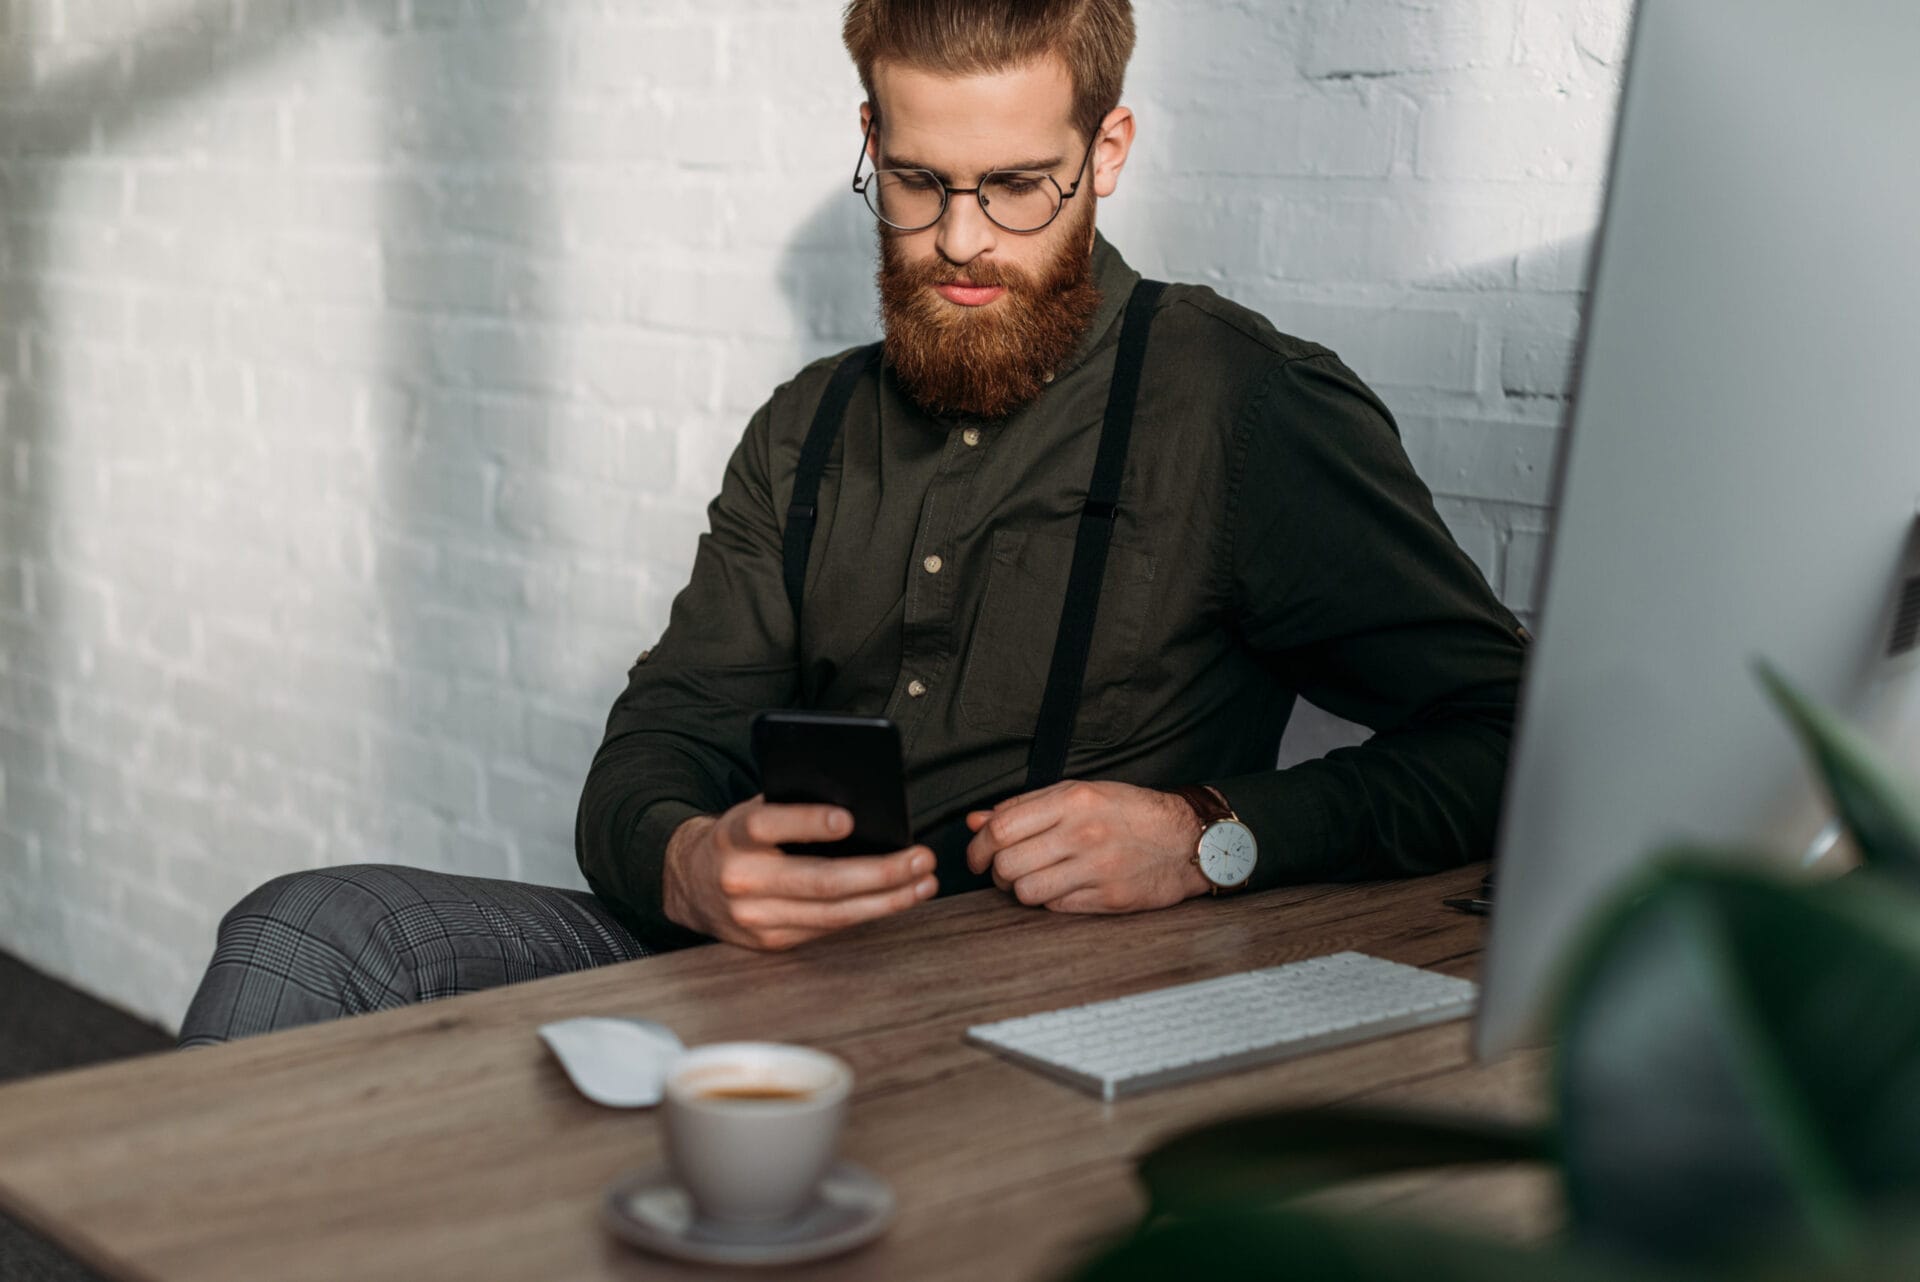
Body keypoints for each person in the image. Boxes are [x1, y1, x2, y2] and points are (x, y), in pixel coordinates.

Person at [178, 0, 1526, 1046]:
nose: (959, 241)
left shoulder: (1240, 405)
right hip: (756, 977)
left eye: (1017, 186)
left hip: (1021, 1014)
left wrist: (1208, 833)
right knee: (306, 933)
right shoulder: (805, 427)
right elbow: (653, 746)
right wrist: (692, 859)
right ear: (873, 142)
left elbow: (1513, 736)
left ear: (1107, 152)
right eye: (921, 180)